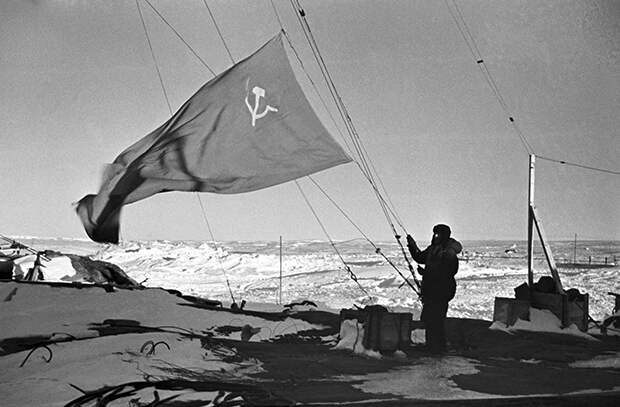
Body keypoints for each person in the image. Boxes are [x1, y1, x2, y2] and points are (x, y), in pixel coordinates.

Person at [407, 224, 462, 354]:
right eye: (434, 234)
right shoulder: (433, 249)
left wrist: (426, 273)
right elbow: (420, 258)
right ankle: (431, 346)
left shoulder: (449, 252)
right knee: (429, 319)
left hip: (441, 291)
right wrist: (412, 245)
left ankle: (438, 348)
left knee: (436, 320)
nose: (435, 237)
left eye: (437, 234)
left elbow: (448, 272)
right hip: (431, 291)